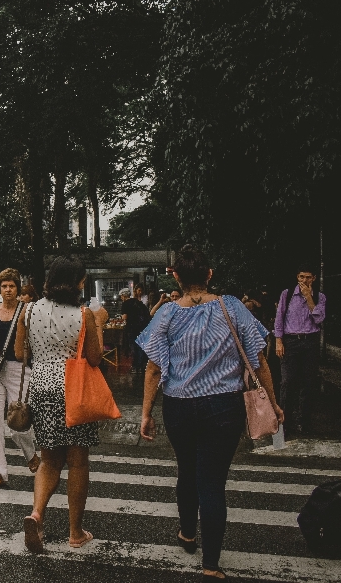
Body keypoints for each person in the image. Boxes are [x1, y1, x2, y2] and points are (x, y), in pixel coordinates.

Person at [139, 245, 283, 582]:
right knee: (213, 482)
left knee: (187, 470)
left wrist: (146, 412)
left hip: (179, 406)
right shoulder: (232, 307)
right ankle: (211, 564)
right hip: (223, 407)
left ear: (175, 275)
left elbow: (153, 368)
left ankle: (187, 533)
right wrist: (274, 404)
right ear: (210, 274)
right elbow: (260, 359)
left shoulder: (167, 314)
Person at [15, 256, 102, 553]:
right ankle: (75, 532)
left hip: (41, 387)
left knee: (49, 459)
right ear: (77, 282)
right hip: (73, 389)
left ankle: (37, 514)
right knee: (78, 461)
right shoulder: (84, 314)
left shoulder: (29, 310)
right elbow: (94, 358)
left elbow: (18, 352)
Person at [0, 269, 39, 489]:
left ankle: (30, 453)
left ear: (18, 288)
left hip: (18, 369)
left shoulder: (26, 310)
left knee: (18, 421)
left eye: (12, 286)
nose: (8, 290)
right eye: (4, 286)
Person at [274, 264, 327, 434]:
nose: (305, 281)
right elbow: (279, 317)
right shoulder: (287, 294)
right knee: (288, 382)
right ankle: (284, 422)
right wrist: (278, 340)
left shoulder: (320, 297)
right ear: (297, 277)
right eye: (301, 277)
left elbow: (319, 319)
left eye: (308, 277)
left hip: (310, 342)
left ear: (314, 278)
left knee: (308, 383)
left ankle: (304, 422)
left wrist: (309, 298)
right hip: (291, 342)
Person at [122, 284, 151, 371]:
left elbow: (124, 317)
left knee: (133, 346)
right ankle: (141, 366)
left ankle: (135, 366)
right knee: (140, 346)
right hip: (142, 327)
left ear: (123, 296)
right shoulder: (139, 303)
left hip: (131, 328)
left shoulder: (125, 304)